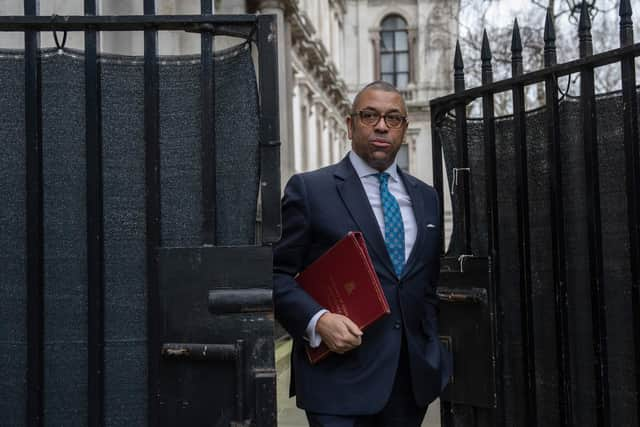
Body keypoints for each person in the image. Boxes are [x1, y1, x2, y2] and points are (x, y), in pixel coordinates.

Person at [273, 81, 451, 427]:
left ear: (404, 128)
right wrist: (318, 320)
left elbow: (426, 283)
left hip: (409, 385)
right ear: (350, 124)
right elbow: (274, 274)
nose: (382, 125)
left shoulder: (427, 197)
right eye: (369, 115)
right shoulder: (311, 190)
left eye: (393, 118)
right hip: (338, 384)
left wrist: (433, 353)